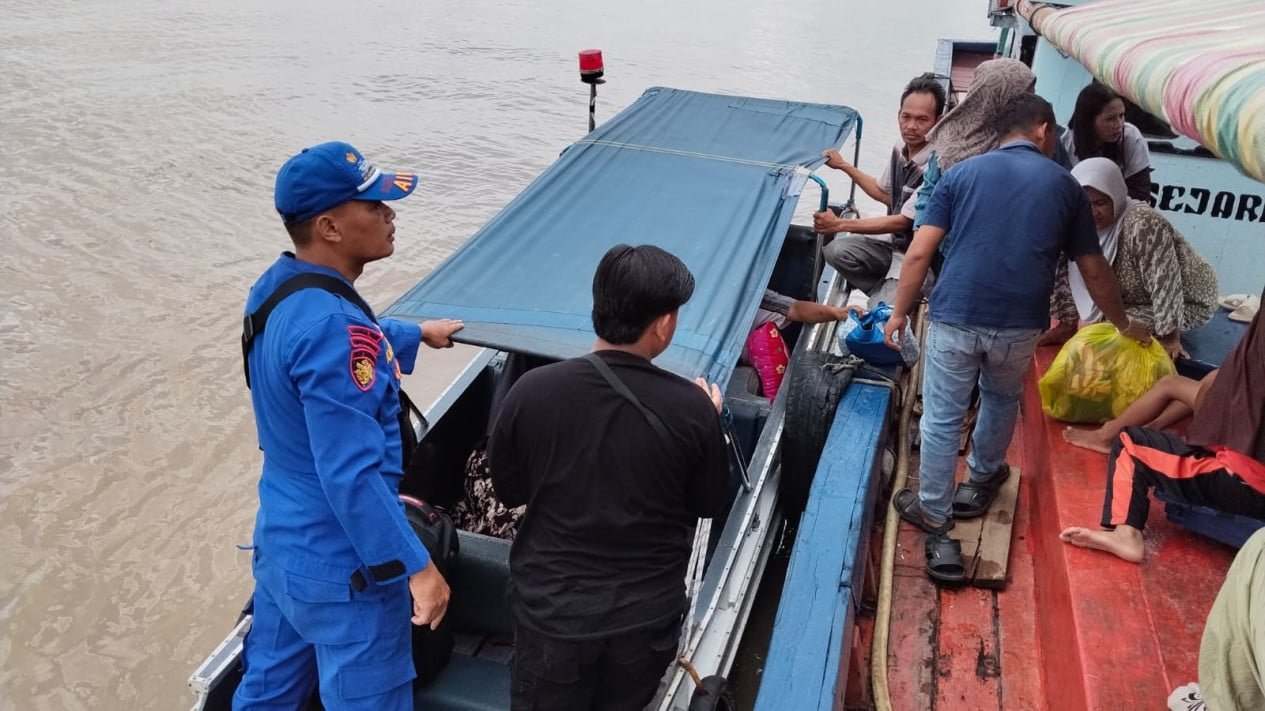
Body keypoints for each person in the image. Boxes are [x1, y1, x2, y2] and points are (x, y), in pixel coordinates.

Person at [234, 141, 464, 710]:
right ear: (330, 227)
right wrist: (417, 567)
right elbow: (353, 477)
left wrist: (414, 334)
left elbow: (328, 331)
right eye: (376, 206)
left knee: (268, 693)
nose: (391, 214)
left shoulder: (277, 288)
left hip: (284, 544)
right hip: (346, 568)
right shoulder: (336, 328)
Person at [881, 94, 1145, 585]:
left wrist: (898, 313)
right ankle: (981, 477)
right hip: (1021, 324)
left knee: (941, 416)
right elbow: (1092, 267)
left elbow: (918, 253)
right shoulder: (1066, 187)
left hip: (956, 315)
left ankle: (935, 513)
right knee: (1001, 398)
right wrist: (1124, 324)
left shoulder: (960, 175)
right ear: (1043, 130)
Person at [489, 244, 731, 710]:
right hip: (642, 624)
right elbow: (707, 503)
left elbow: (510, 490)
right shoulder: (692, 409)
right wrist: (709, 419)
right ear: (663, 324)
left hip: (550, 616)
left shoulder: (530, 392)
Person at [1060, 291, 1265, 563]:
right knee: (1193, 388)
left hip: (1245, 483)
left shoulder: (1251, 363)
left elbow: (1212, 399)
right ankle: (1114, 433)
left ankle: (1126, 535)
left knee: (1131, 444)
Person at [1043, 157, 1218, 359]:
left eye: (1100, 203)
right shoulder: (1074, 220)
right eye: (1084, 204)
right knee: (1102, 327)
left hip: (1182, 301)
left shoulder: (1142, 223)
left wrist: (1169, 337)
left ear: (1116, 196)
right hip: (1130, 299)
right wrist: (1067, 322)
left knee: (1107, 332)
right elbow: (1064, 271)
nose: (1092, 212)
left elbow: (1165, 280)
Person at [812, 74, 947, 307]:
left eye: (922, 119)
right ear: (898, 115)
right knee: (836, 250)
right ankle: (882, 293)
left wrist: (840, 224)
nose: (911, 126)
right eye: (906, 117)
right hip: (891, 246)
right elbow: (882, 192)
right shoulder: (900, 147)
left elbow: (903, 222)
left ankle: (895, 296)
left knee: (876, 321)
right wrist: (844, 166)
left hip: (915, 258)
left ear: (938, 121)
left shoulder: (937, 163)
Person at [909, 58, 1037, 247]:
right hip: (948, 250)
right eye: (1027, 94)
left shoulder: (1026, 142)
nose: (1033, 102)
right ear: (999, 96)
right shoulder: (949, 138)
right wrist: (921, 245)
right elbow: (927, 195)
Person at [1063, 371, 1217, 454]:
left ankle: (1104, 437)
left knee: (1169, 383)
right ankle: (1151, 427)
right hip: (1236, 420)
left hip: (1233, 433)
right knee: (1214, 377)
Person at [1061, 81, 1153, 201]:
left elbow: (1141, 194)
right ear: (1088, 121)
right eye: (1110, 119)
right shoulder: (1064, 142)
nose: (1119, 124)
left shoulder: (1130, 136)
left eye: (1121, 116)